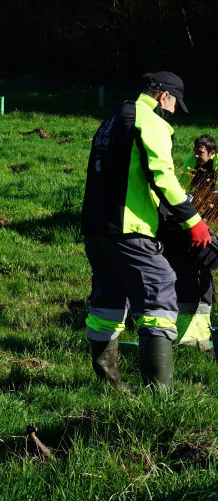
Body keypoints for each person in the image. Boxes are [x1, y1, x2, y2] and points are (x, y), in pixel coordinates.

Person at [82, 71, 211, 390]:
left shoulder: (112, 119)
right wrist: (193, 221)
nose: (172, 114)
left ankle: (109, 386)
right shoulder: (149, 120)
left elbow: (127, 175)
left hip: (96, 229)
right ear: (164, 96)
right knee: (160, 291)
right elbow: (161, 175)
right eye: (173, 106)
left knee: (107, 301)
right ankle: (158, 394)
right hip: (130, 228)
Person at [162, 134, 218, 350]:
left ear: (212, 154)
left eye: (200, 154)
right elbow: (183, 189)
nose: (196, 156)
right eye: (195, 152)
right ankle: (195, 334)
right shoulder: (191, 162)